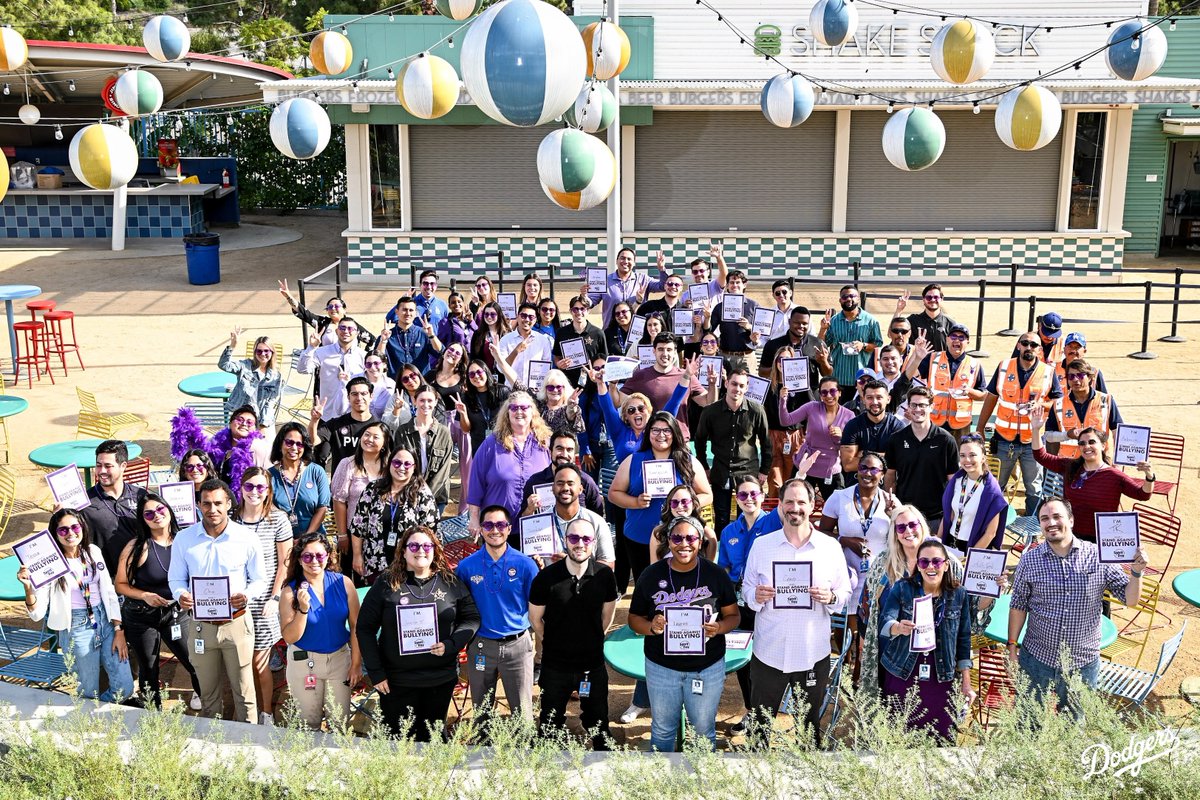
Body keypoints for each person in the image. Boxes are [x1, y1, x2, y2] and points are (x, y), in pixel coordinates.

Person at [1008, 498, 1148, 717]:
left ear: (1071, 521)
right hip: (1036, 658)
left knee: (1073, 725)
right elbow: (1018, 605)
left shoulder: (1098, 557)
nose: (1051, 523)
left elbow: (1130, 600)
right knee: (1027, 721)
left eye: (1057, 517)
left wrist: (1136, 572)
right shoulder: (1029, 560)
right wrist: (1012, 646)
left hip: (1081, 663)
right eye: (1044, 518)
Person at [741, 479, 850, 748]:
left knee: (808, 729)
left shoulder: (830, 547)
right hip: (769, 652)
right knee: (760, 726)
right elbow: (746, 589)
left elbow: (844, 592)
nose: (795, 508)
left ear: (812, 506)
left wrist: (831, 597)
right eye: (789, 502)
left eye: (801, 502)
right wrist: (755, 596)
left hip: (812, 654)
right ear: (779, 505)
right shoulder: (762, 546)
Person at [628, 515, 740, 752]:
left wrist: (719, 627)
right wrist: (652, 627)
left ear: (700, 542)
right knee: (663, 728)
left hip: (706, 667)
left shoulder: (716, 574)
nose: (684, 544)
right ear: (668, 542)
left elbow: (733, 616)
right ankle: (664, 784)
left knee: (702, 729)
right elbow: (634, 618)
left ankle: (703, 781)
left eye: (691, 538)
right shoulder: (651, 575)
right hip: (662, 667)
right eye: (677, 538)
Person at [358, 526, 479, 740]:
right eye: (413, 545)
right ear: (403, 551)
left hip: (439, 680)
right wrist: (376, 673)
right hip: (396, 682)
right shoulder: (386, 583)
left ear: (434, 550)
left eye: (426, 545)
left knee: (433, 740)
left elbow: (471, 618)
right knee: (398, 741)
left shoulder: (450, 582)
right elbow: (365, 628)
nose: (420, 550)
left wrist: (451, 645)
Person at [168, 479, 267, 723]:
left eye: (218, 503)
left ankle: (249, 744)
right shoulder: (184, 539)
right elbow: (175, 579)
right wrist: (181, 595)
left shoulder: (246, 538)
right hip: (201, 628)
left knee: (244, 692)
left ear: (229, 504)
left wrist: (247, 595)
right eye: (207, 504)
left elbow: (260, 580)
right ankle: (212, 746)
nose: (213, 509)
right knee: (208, 693)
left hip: (237, 625)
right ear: (199, 505)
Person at [19, 509, 133, 703]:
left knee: (125, 687)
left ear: (82, 527)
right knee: (88, 691)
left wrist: (118, 629)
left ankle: (96, 711)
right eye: (63, 530)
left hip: (105, 621)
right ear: (55, 534)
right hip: (77, 628)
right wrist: (29, 588)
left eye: (74, 527)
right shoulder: (51, 564)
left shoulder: (93, 551)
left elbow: (109, 591)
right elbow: (37, 614)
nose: (70, 533)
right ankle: (91, 722)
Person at [529, 516, 619, 749]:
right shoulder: (546, 578)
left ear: (594, 543)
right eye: (574, 537)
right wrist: (551, 641)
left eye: (586, 538)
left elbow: (607, 617)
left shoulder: (604, 576)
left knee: (598, 723)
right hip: (555, 665)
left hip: (592, 664)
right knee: (549, 724)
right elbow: (535, 619)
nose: (580, 543)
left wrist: (591, 639)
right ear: (565, 540)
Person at [879, 538, 974, 742]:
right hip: (903, 672)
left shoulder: (959, 595)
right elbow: (885, 621)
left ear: (946, 565)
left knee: (940, 738)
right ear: (917, 566)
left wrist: (966, 682)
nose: (930, 567)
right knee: (900, 736)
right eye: (924, 562)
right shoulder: (903, 588)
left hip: (941, 677)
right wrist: (898, 627)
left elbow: (964, 640)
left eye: (936, 562)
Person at [115, 494, 203, 710]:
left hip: (176, 612)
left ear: (169, 510)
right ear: (143, 520)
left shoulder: (185, 541)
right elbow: (120, 584)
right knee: (149, 668)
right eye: (149, 513)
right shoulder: (137, 547)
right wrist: (145, 595)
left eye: (160, 509)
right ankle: (152, 714)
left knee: (193, 660)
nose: (156, 515)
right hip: (141, 615)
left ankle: (205, 699)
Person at [456, 505, 540, 722]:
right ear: (481, 530)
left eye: (501, 524)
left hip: (518, 647)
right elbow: (459, 607)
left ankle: (524, 752)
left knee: (523, 714)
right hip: (481, 645)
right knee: (482, 711)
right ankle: (482, 752)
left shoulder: (526, 564)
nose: (495, 530)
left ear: (509, 528)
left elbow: (537, 605)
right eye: (488, 525)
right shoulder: (466, 567)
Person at [716, 475, 784, 730]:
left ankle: (767, 710)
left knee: (766, 656)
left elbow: (789, 502)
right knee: (744, 657)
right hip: (738, 601)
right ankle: (751, 711)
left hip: (767, 600)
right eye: (743, 495)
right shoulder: (728, 531)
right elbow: (723, 568)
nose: (749, 499)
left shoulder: (772, 522)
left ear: (763, 494)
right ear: (736, 499)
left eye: (754, 494)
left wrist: (800, 474)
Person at [609, 412, 712, 580]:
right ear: (648, 433)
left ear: (675, 433)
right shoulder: (633, 460)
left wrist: (686, 504)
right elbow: (614, 494)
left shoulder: (688, 461)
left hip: (680, 540)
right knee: (646, 584)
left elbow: (707, 494)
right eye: (655, 430)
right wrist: (635, 501)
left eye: (667, 430)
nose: (661, 435)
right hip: (639, 536)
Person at [1028, 404, 1153, 542]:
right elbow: (1040, 456)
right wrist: (1035, 429)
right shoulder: (1070, 466)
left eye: (1092, 442)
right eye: (1081, 443)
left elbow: (1143, 494)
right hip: (1070, 537)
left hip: (1101, 539)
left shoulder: (1114, 476)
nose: (1086, 446)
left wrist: (1149, 476)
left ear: (1103, 445)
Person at [278, 533, 362, 731]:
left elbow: (356, 627)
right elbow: (290, 637)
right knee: (309, 725)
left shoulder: (344, 583)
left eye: (319, 556)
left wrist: (356, 664)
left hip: (339, 659)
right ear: (299, 560)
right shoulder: (290, 592)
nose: (314, 561)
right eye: (307, 556)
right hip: (305, 662)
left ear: (328, 556)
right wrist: (303, 609)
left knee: (339, 724)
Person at [974, 333, 1063, 516]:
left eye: (1033, 345)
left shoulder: (1048, 372)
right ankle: (992, 528)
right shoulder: (1004, 367)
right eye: (1025, 343)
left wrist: (1041, 405)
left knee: (1034, 490)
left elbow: (1058, 401)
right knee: (995, 487)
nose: (1029, 347)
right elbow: (991, 397)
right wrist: (980, 427)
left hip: (1033, 443)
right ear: (1019, 345)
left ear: (1039, 350)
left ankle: (1032, 534)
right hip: (1004, 440)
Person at [234, 466, 293, 725]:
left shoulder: (277, 519)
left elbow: (285, 563)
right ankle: (245, 709)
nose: (254, 492)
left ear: (268, 490)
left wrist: (275, 597)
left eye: (260, 487)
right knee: (238, 662)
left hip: (264, 602)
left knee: (260, 664)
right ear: (241, 488)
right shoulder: (231, 518)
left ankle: (266, 712)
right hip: (236, 599)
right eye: (249, 486)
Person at [694, 365, 772, 534]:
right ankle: (724, 556)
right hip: (721, 470)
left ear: (747, 387)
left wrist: (765, 470)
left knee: (746, 516)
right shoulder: (710, 411)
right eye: (734, 384)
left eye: (741, 386)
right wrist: (704, 467)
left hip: (748, 470)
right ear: (727, 383)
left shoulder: (756, 410)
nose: (737, 389)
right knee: (721, 517)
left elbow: (766, 443)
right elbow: (699, 440)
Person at [464, 391, 552, 537]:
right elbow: (475, 483)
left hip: (536, 527)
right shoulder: (491, 444)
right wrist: (474, 519)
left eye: (524, 407)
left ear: (532, 412)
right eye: (514, 408)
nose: (519, 411)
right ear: (507, 412)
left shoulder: (544, 442)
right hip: (497, 527)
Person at [819, 452, 897, 611]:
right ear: (857, 471)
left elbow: (902, 537)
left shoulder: (891, 501)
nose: (868, 473)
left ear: (882, 475)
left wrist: (893, 516)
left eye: (874, 470)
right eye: (863, 468)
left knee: (873, 625)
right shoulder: (839, 497)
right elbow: (821, 534)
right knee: (847, 624)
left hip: (880, 574)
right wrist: (844, 540)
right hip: (848, 573)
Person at [349, 446, 438, 583]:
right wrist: (356, 555)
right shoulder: (373, 489)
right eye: (397, 462)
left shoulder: (423, 495)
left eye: (407, 464)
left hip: (408, 566)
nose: (401, 467)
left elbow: (431, 535)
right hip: (373, 564)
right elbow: (358, 526)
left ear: (415, 467)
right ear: (389, 463)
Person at [884, 387, 959, 530]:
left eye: (922, 405)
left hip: (936, 517)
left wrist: (950, 513)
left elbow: (953, 481)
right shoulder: (896, 440)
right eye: (913, 405)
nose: (917, 409)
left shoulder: (946, 440)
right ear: (908, 407)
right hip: (905, 515)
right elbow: (890, 476)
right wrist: (893, 506)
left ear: (931, 407)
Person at [617, 332, 710, 442]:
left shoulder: (687, 375)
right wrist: (612, 385)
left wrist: (712, 384)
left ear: (675, 352)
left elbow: (708, 402)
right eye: (661, 349)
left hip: (680, 440)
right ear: (654, 351)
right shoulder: (640, 376)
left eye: (669, 350)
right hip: (652, 441)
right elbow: (618, 402)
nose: (665, 353)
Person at [80, 439, 148, 577]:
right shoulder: (84, 502)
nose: (101, 471)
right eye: (98, 465)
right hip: (106, 580)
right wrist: (60, 517)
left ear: (123, 466)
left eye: (108, 466)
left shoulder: (141, 496)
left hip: (142, 576)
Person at [905, 322, 986, 438]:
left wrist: (969, 391)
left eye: (961, 337)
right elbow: (909, 376)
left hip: (961, 426)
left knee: (959, 455)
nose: (956, 340)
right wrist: (917, 357)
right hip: (933, 422)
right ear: (947, 339)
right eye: (953, 336)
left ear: (967, 342)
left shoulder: (974, 364)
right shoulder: (933, 358)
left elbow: (983, 395)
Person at [779, 377, 854, 500]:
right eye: (824, 392)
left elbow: (851, 445)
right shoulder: (812, 407)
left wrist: (842, 436)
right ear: (820, 395)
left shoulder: (849, 415)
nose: (828, 395)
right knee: (794, 502)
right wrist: (783, 399)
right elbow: (786, 420)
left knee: (837, 508)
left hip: (830, 469)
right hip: (805, 466)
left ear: (839, 392)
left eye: (833, 391)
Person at [330, 421, 392, 568]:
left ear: (384, 444)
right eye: (366, 435)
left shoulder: (392, 466)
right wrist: (342, 535)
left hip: (385, 534)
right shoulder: (347, 464)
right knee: (356, 579)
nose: (369, 439)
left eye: (375, 437)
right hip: (354, 534)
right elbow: (338, 501)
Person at [939, 434, 1009, 557]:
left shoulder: (991, 491)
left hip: (973, 547)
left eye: (972, 455)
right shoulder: (956, 481)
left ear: (983, 458)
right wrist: (938, 541)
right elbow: (948, 515)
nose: (967, 460)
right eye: (962, 455)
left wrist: (970, 558)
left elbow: (990, 533)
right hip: (950, 543)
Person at [393, 384, 454, 516]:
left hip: (437, 496)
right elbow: (398, 466)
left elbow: (443, 471)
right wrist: (412, 493)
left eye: (430, 400)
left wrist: (425, 496)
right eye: (422, 400)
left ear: (436, 402)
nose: (426, 404)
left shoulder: (444, 432)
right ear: (414, 401)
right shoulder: (403, 431)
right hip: (408, 494)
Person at [453, 359, 512, 493]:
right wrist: (463, 413)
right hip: (480, 447)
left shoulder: (502, 391)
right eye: (471, 374)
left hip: (504, 446)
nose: (476, 376)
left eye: (479, 372)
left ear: (486, 371)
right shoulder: (466, 397)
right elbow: (466, 429)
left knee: (504, 483)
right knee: (486, 485)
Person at [269, 423, 331, 541]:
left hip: (314, 541)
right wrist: (287, 540)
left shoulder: (317, 471)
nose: (294, 448)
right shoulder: (269, 475)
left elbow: (322, 509)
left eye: (299, 444)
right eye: (289, 442)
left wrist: (305, 538)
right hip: (281, 541)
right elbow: (267, 510)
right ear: (280, 444)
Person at [1048, 359, 1122, 459]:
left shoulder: (1106, 400)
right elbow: (1048, 436)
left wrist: (1118, 462)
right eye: (1071, 376)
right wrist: (1067, 435)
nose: (1075, 379)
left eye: (1080, 375)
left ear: (1090, 378)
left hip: (1099, 462)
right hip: (1069, 464)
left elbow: (1118, 432)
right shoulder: (1059, 404)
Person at [521, 429, 605, 517]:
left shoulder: (585, 481)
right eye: (559, 448)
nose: (564, 454)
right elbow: (523, 519)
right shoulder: (535, 481)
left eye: (569, 450)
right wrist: (529, 510)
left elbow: (598, 517)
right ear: (550, 452)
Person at [821, 285, 883, 404]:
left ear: (858, 299)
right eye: (845, 297)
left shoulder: (871, 321)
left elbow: (877, 345)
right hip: (839, 378)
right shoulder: (834, 321)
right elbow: (823, 344)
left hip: (862, 380)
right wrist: (823, 329)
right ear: (840, 300)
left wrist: (863, 345)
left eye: (852, 296)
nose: (849, 299)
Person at [299, 316, 366, 422]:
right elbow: (303, 369)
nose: (346, 331)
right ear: (336, 331)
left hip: (353, 414)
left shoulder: (363, 356)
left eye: (350, 329)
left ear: (357, 333)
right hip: (327, 414)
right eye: (342, 328)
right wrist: (311, 347)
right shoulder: (322, 352)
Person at [760, 306, 832, 401]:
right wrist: (778, 368)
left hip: (809, 400)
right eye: (797, 323)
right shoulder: (773, 345)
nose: (801, 326)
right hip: (781, 398)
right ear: (789, 322)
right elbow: (761, 372)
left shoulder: (817, 344)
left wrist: (823, 362)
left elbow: (827, 373)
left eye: (804, 323)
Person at [309, 376, 379, 471]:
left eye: (364, 394)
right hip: (340, 483)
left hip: (369, 483)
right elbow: (313, 440)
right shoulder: (336, 424)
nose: (359, 398)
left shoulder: (379, 428)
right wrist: (314, 420)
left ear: (371, 396)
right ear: (348, 397)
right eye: (354, 394)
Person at [839, 379, 905, 479]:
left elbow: (900, 461)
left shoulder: (898, 427)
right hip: (857, 484)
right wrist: (886, 456)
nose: (874, 402)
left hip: (888, 485)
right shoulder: (853, 426)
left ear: (888, 399)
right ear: (863, 399)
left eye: (879, 397)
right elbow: (848, 465)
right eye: (870, 398)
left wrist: (866, 454)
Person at [584, 246, 664, 327]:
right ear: (616, 261)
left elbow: (663, 287)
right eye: (622, 258)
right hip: (611, 331)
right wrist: (584, 296)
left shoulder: (643, 279)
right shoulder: (605, 280)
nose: (625, 261)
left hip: (637, 330)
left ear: (634, 263)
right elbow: (590, 303)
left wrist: (662, 269)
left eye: (629, 259)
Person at [219, 328, 282, 429]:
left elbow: (272, 400)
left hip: (261, 418)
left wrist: (263, 423)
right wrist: (232, 346)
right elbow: (224, 365)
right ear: (254, 352)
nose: (262, 354)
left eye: (266, 351)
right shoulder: (245, 366)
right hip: (241, 417)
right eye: (259, 351)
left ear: (272, 352)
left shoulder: (276, 376)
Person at [278, 282, 371, 350]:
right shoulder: (322, 323)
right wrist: (288, 296)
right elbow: (303, 312)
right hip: (326, 367)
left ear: (344, 309)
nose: (333, 308)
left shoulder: (353, 326)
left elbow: (372, 341)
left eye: (336, 306)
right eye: (330, 307)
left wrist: (365, 358)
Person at [553, 294, 607, 387]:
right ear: (570, 311)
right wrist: (559, 364)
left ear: (588, 311)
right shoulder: (561, 332)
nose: (579, 312)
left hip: (592, 384)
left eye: (583, 309)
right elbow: (557, 356)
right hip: (568, 383)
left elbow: (604, 359)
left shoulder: (598, 333)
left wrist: (597, 371)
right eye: (575, 309)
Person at [709, 270, 762, 363]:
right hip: (725, 356)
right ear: (727, 285)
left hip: (747, 357)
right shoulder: (719, 307)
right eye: (731, 282)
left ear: (744, 285)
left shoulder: (753, 305)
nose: (734, 285)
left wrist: (748, 326)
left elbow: (762, 330)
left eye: (738, 282)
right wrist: (706, 318)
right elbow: (709, 330)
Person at [498, 303, 554, 388]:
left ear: (535, 320)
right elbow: (501, 368)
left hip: (535, 391)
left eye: (531, 317)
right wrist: (516, 351)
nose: (527, 319)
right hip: (511, 390)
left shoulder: (543, 341)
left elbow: (546, 369)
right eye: (523, 315)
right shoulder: (505, 340)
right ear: (518, 316)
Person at [534, 369, 587, 456]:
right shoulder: (538, 405)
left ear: (564, 388)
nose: (555, 390)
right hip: (539, 455)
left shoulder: (567, 408)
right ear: (545, 389)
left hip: (562, 457)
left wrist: (571, 406)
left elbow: (570, 414)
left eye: (559, 387)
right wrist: (502, 361)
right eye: (550, 387)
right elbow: (516, 383)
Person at [900, 284, 958, 353]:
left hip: (942, 363)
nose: (933, 300)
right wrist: (899, 310)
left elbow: (956, 351)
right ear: (923, 299)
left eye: (936, 297)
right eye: (929, 297)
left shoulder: (950, 324)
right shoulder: (913, 321)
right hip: (917, 363)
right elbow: (893, 334)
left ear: (941, 299)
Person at [469, 301, 511, 377]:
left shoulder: (507, 334)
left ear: (499, 315)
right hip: (483, 377)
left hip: (504, 377)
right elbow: (473, 358)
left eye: (493, 314)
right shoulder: (478, 334)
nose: (489, 317)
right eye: (486, 314)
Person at [424, 342, 468, 415]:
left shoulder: (464, 378)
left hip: (458, 421)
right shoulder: (430, 375)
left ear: (460, 360)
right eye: (451, 349)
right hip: (435, 418)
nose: (453, 353)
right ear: (444, 352)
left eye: (457, 353)